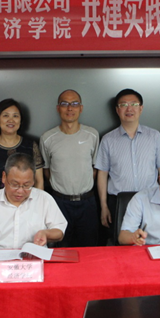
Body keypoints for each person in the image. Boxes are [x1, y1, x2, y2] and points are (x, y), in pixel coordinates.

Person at [95, 88, 160, 243]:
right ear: (117, 110)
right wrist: (104, 206)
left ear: (141, 108)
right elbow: (102, 174)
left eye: (134, 104)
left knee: (151, 243)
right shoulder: (108, 140)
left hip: (150, 200)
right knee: (122, 244)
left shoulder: (154, 136)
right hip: (119, 202)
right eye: (123, 105)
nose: (129, 109)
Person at [0, 153, 67, 254]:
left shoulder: (44, 199)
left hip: (34, 258)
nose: (20, 191)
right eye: (14, 184)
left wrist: (46, 233)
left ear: (33, 181)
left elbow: (59, 231)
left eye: (26, 185)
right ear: (4, 177)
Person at [40, 89, 100, 247]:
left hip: (87, 202)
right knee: (61, 250)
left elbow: (95, 168)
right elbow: (46, 170)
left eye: (74, 103)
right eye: (64, 104)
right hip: (59, 203)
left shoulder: (92, 135)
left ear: (81, 108)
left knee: (89, 250)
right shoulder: (47, 138)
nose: (69, 108)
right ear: (58, 108)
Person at [0, 98, 43, 200]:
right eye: (6, 115)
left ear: (20, 120)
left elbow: (39, 181)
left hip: (26, 205)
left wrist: (36, 205)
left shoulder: (31, 146)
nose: (11, 120)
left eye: (15, 116)